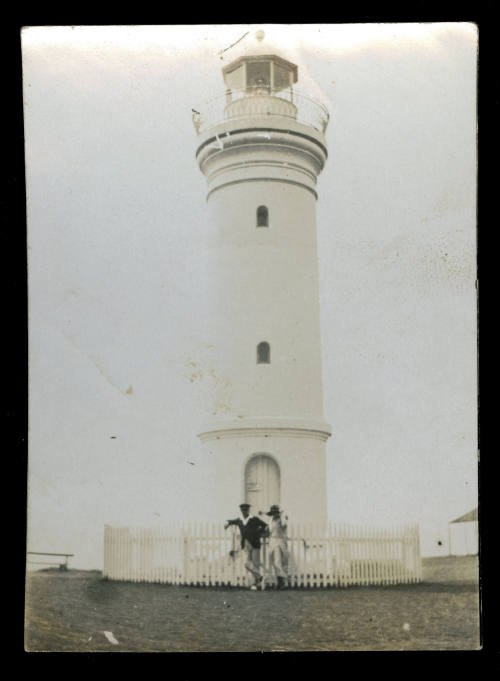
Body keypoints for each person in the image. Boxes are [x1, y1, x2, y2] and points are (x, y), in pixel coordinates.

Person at [225, 503, 268, 590]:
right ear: (241, 510)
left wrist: (259, 532)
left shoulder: (254, 519)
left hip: (255, 543)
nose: (244, 511)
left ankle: (256, 584)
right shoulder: (239, 520)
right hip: (245, 544)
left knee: (255, 564)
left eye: (246, 509)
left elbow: (265, 525)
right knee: (247, 563)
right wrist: (227, 523)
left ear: (248, 510)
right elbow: (231, 521)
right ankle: (261, 576)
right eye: (242, 510)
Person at [265, 504, 289, 589]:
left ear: (278, 513)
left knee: (278, 561)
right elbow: (269, 531)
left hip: (279, 541)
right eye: (273, 512)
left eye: (276, 512)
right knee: (273, 561)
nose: (274, 514)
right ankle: (279, 581)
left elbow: (284, 527)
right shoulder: (270, 520)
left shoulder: (281, 520)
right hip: (272, 541)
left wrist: (284, 519)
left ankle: (281, 581)